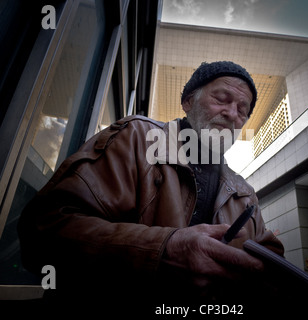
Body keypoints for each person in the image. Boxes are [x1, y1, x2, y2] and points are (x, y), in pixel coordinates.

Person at [17, 61, 284, 308]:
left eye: (242, 111)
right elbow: (43, 230)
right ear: (188, 101)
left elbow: (273, 271)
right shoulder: (136, 138)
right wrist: (163, 251)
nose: (231, 114)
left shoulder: (244, 194)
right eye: (221, 99)